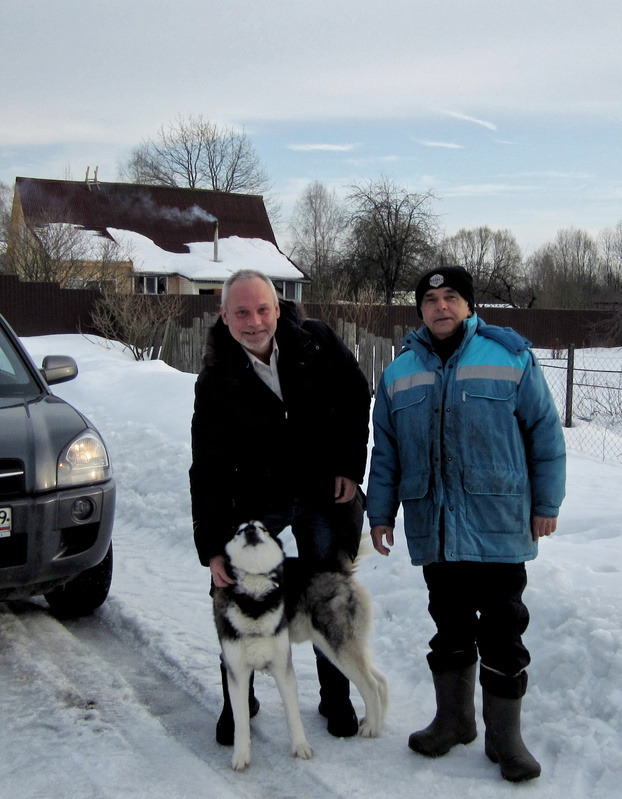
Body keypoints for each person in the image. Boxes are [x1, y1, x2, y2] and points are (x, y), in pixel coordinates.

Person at [366, 265, 566, 782]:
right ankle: (454, 721)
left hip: (498, 526)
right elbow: (385, 452)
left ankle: (506, 739)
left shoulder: (510, 357)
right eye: (430, 299)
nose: (440, 306)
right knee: (449, 627)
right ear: (420, 309)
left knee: (503, 632)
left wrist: (547, 503)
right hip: (435, 527)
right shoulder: (398, 372)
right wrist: (380, 513)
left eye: (451, 296)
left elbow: (544, 433)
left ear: (469, 304)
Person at [190, 269, 371, 746]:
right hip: (255, 505)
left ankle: (336, 697)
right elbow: (207, 469)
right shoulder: (215, 380)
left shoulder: (314, 343)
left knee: (326, 591)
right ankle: (238, 698)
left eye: (263, 309)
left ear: (278, 306)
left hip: (317, 492)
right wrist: (213, 548)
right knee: (235, 593)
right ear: (224, 315)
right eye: (243, 312)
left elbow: (356, 397)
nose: (255, 322)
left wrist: (350, 467)